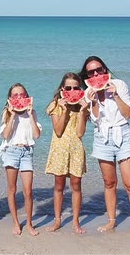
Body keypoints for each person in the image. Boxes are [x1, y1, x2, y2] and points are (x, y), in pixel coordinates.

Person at [79, 56, 130, 239]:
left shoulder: (119, 84)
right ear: (87, 75)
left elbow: (127, 114)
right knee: (109, 182)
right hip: (102, 137)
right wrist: (93, 101)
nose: (96, 74)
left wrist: (115, 95)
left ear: (105, 70)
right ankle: (111, 220)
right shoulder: (88, 91)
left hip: (123, 134)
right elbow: (95, 119)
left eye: (99, 70)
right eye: (91, 72)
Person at [44, 72, 90, 234]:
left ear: (80, 89)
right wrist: (64, 110)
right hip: (59, 149)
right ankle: (57, 220)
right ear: (62, 88)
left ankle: (76, 222)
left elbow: (80, 133)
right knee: (59, 186)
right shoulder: (55, 105)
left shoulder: (83, 107)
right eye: (68, 87)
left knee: (76, 186)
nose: (72, 90)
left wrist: (84, 112)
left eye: (76, 88)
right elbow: (58, 131)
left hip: (76, 148)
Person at [0, 83, 42, 236]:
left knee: (28, 191)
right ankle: (16, 222)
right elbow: (5, 135)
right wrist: (13, 115)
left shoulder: (32, 113)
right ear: (10, 99)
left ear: (27, 96)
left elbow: (36, 135)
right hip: (11, 151)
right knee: (12, 189)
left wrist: (30, 116)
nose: (19, 98)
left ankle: (29, 223)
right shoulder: (7, 113)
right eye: (15, 96)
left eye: (22, 95)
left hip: (27, 152)